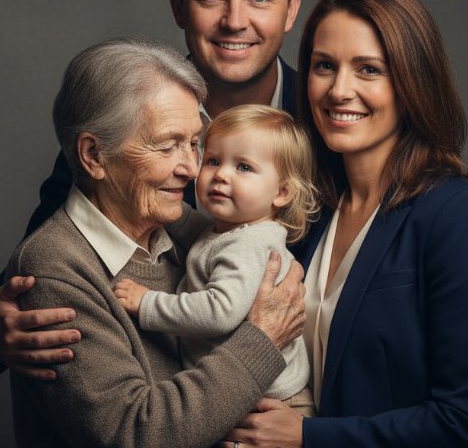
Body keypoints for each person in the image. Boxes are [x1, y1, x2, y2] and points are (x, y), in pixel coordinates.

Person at [0, 0, 303, 380]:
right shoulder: (121, 120)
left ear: (291, 8)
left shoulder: (325, 126)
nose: (235, 20)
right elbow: (43, 262)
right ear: (178, 5)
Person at [220, 0, 468, 447]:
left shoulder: (460, 216)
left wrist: (309, 438)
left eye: (369, 70)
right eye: (324, 66)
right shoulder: (306, 214)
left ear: (412, 82)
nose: (339, 90)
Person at [6, 37, 304, 448]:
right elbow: (136, 433)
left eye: (195, 145)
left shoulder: (184, 234)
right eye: (166, 146)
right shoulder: (55, 270)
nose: (192, 169)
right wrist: (263, 339)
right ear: (94, 155)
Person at [112, 104, 321, 417]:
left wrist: (147, 304)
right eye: (212, 161)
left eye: (244, 167)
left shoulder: (248, 245)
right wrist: (162, 201)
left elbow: (219, 311)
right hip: (248, 389)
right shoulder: (233, 230)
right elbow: (192, 227)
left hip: (273, 403)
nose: (221, 175)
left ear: (281, 192)